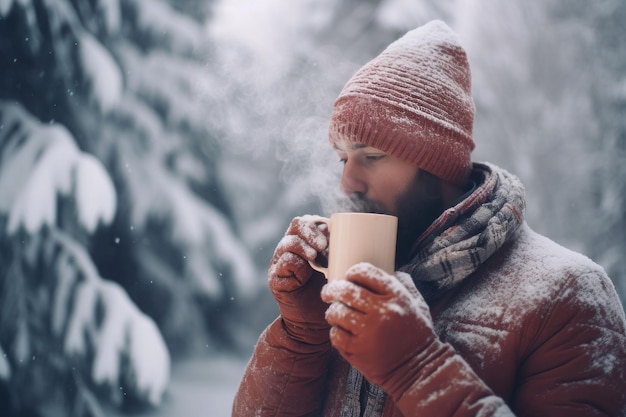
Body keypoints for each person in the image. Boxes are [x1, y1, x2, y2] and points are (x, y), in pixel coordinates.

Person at [232, 20, 626, 417]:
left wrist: (415, 368)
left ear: (438, 166)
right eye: (343, 159)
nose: (347, 183)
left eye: (371, 157)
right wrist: (302, 336)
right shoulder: (348, 285)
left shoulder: (567, 296)